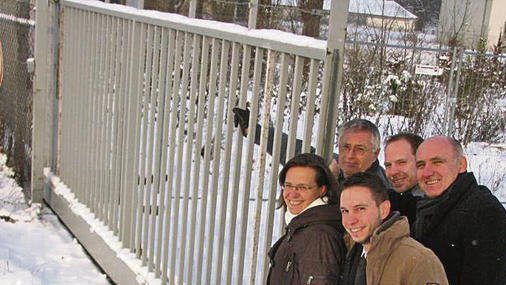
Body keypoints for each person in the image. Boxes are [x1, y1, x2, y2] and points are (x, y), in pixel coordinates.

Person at [413, 136, 506, 285]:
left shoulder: (482, 211)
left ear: (461, 164)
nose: (427, 172)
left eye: (437, 162)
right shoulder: (427, 208)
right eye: (421, 165)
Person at [339, 172, 448, 285]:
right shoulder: (355, 253)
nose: (350, 221)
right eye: (345, 211)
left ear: (384, 209)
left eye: (360, 209)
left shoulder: (420, 261)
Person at [267, 153, 345, 285]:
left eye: (303, 187)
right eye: (288, 185)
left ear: (322, 190)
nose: (293, 193)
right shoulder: (302, 225)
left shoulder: (319, 236)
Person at [384, 132, 425, 225]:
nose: (393, 172)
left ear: (420, 162)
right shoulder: (392, 199)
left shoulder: (428, 206)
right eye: (388, 165)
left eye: (401, 162)